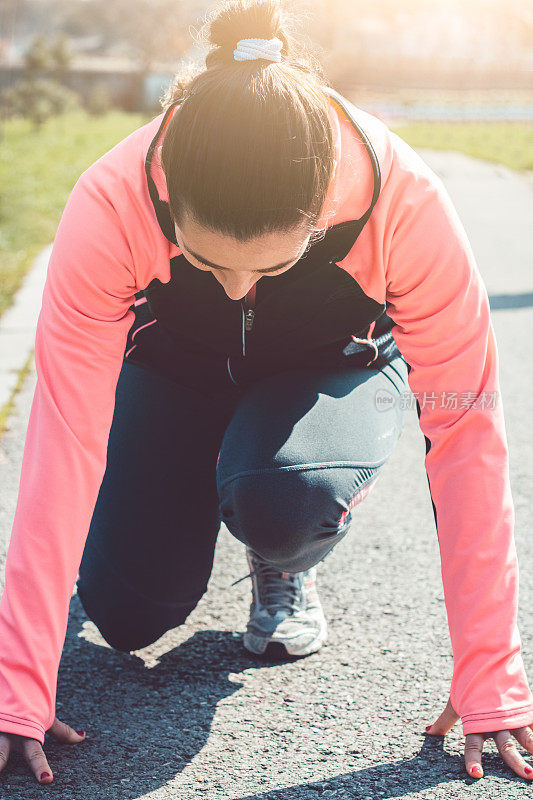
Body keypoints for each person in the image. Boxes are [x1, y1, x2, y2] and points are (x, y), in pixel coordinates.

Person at [0, 0, 532, 786]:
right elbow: (63, 439)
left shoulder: (403, 204)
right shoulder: (112, 199)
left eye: (271, 266)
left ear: (318, 212)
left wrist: (492, 675)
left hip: (329, 378)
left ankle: (282, 555)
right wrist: (18, 684)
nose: (237, 286)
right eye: (208, 264)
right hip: (173, 376)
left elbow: (465, 435)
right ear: (169, 201)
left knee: (280, 504)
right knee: (126, 617)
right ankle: (174, 503)